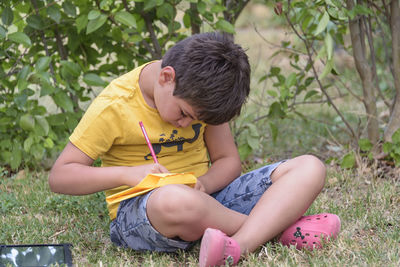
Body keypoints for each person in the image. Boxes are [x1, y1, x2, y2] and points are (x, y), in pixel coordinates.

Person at [49, 32, 340, 266]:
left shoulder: (202, 99)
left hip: (210, 199)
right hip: (146, 212)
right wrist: (128, 174)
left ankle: (239, 245)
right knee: (175, 201)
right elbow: (60, 176)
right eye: (185, 114)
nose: (188, 125)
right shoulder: (115, 105)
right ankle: (282, 230)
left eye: (198, 121)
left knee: (310, 167)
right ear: (167, 78)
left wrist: (204, 183)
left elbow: (227, 161)